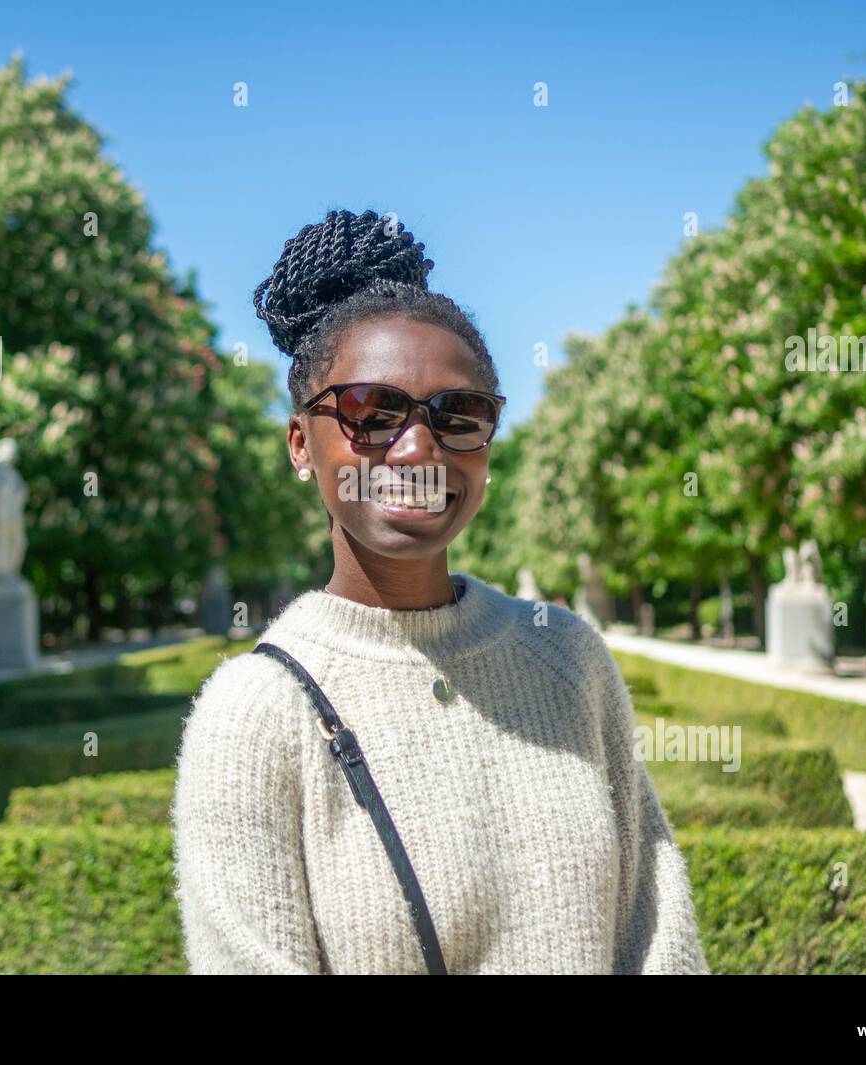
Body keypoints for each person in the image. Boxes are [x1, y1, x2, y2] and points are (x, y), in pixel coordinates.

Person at [171, 207, 709, 975]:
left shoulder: (569, 658)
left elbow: (661, 938)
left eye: (459, 414)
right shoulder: (252, 716)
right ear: (300, 443)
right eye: (371, 411)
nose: (418, 446)